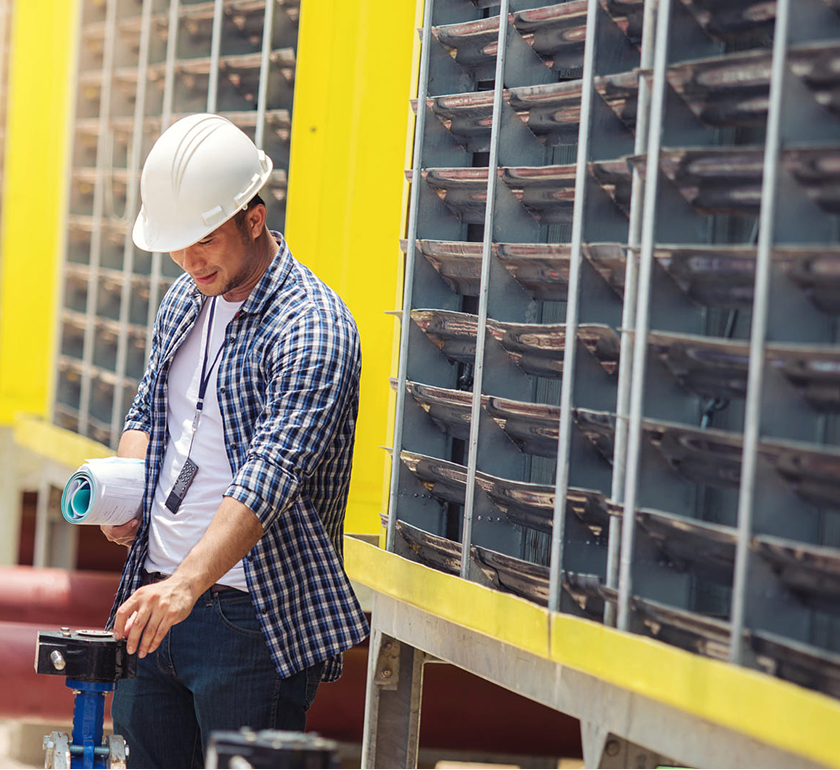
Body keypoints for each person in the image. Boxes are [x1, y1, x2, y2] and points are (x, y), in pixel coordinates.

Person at [100, 113, 368, 769]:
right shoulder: (187, 297)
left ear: (255, 217)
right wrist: (127, 494)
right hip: (155, 599)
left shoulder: (312, 326)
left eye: (206, 240)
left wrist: (186, 587)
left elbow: (270, 477)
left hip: (246, 620)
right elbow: (149, 407)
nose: (191, 261)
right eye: (178, 245)